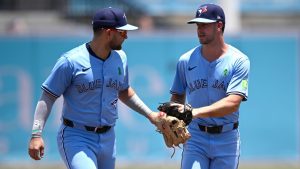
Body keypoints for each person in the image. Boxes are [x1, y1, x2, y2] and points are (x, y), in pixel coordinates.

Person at [28, 7, 160, 169]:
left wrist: (150, 115)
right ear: (109, 32)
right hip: (77, 137)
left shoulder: (121, 58)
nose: (126, 36)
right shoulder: (71, 61)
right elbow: (48, 96)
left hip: (108, 138)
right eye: (122, 32)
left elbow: (124, 91)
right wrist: (36, 134)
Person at [169, 3, 250, 169]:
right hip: (196, 137)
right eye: (198, 25)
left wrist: (194, 112)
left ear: (219, 25)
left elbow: (233, 103)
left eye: (205, 24)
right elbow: (177, 95)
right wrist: (172, 116)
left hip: (227, 138)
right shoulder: (186, 60)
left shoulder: (239, 60)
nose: (199, 29)